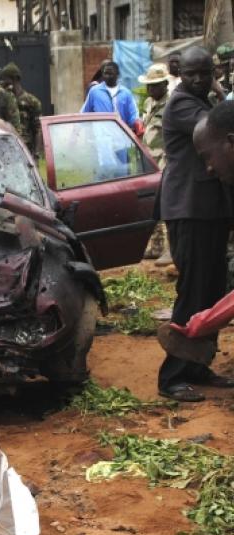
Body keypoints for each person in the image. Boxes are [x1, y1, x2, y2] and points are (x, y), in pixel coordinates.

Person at [156, 46, 233, 402]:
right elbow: (219, 121)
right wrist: (220, 90)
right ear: (179, 74)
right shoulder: (182, 104)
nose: (199, 80)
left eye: (206, 73)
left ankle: (197, 366)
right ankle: (171, 376)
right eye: (191, 74)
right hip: (189, 209)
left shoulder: (198, 97)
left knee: (213, 289)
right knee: (193, 290)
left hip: (211, 210)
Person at [138, 63, 172, 266]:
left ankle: (170, 249)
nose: (150, 90)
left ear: (165, 85)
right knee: (154, 203)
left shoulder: (171, 105)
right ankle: (156, 246)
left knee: (167, 204)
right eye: (149, 86)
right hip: (150, 161)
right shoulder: (150, 103)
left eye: (154, 86)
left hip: (165, 162)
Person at [81, 61, 143, 135]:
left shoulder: (126, 93)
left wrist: (137, 123)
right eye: (106, 73)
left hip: (122, 138)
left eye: (111, 74)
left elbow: (133, 116)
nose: (108, 76)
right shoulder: (94, 92)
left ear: (117, 74)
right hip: (101, 138)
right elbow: (84, 114)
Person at [0, 61, 42, 157]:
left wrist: (36, 154)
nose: (2, 82)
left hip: (26, 149)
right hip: (7, 146)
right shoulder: (3, 100)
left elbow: (38, 129)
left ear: (15, 79)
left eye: (5, 79)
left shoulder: (32, 101)